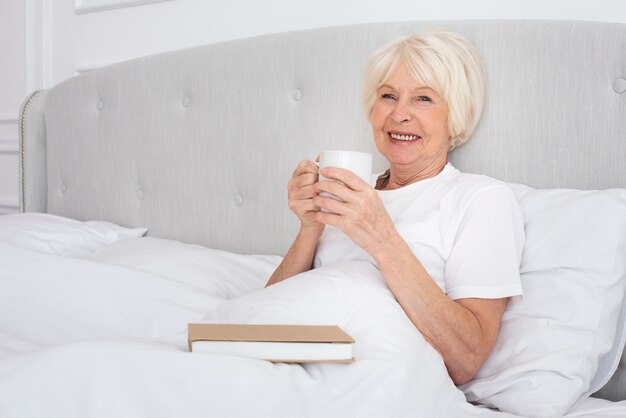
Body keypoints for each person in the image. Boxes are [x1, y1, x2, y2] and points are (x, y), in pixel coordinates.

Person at [265, 31, 524, 385]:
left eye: (423, 99)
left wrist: (381, 238)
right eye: (388, 96)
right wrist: (310, 227)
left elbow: (467, 358)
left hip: (376, 378)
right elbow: (265, 317)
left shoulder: (480, 199)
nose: (399, 114)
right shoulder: (350, 191)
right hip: (287, 366)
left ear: (456, 116)